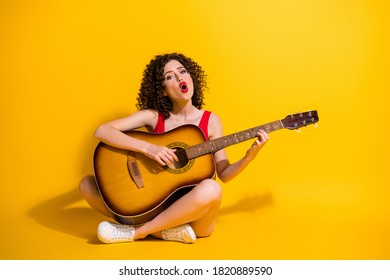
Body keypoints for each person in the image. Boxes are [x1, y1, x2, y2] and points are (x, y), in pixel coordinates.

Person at [79, 53, 269, 244]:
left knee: (212, 188)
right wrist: (148, 148)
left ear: (191, 77)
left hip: (195, 220)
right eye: (170, 76)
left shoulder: (210, 121)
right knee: (86, 185)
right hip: (155, 207)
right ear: (162, 90)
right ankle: (164, 231)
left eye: (183, 72)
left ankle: (137, 232)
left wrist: (248, 157)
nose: (180, 78)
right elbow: (103, 131)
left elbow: (224, 174)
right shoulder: (154, 116)